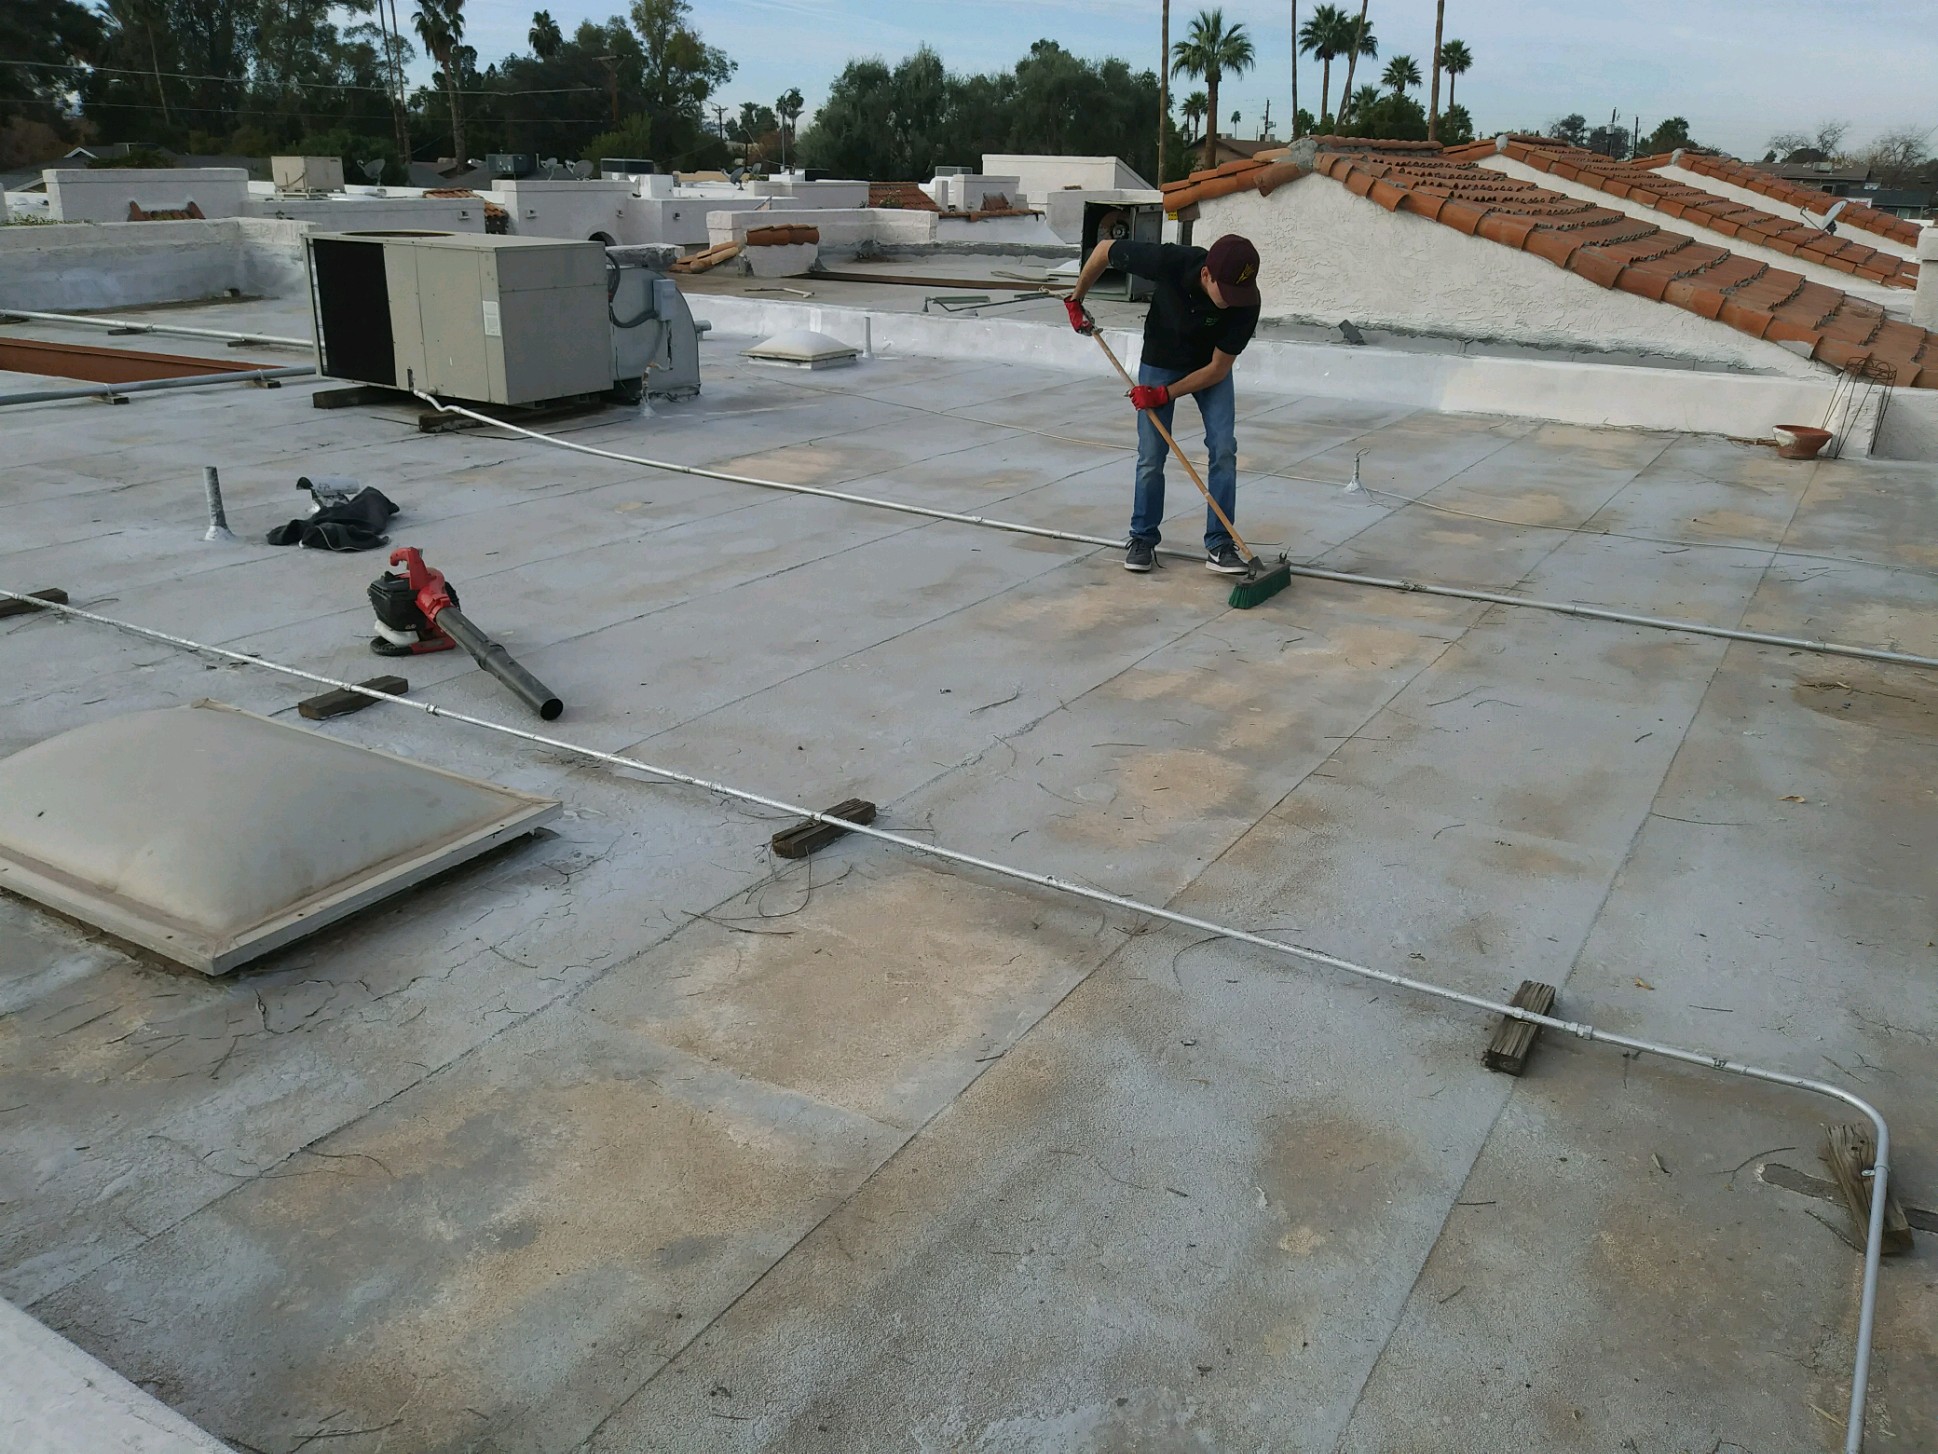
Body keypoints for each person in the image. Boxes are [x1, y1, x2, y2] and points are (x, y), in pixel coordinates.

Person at [1064, 233, 1262, 575]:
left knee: (1224, 448)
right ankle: (1142, 537)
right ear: (1206, 275)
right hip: (1161, 358)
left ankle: (1220, 543)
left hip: (1208, 368)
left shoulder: (1246, 302)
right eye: (1225, 292)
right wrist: (1075, 298)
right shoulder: (1169, 261)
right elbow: (1104, 250)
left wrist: (1164, 394)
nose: (1232, 302)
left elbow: (1217, 368)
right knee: (1152, 454)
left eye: (1238, 294)